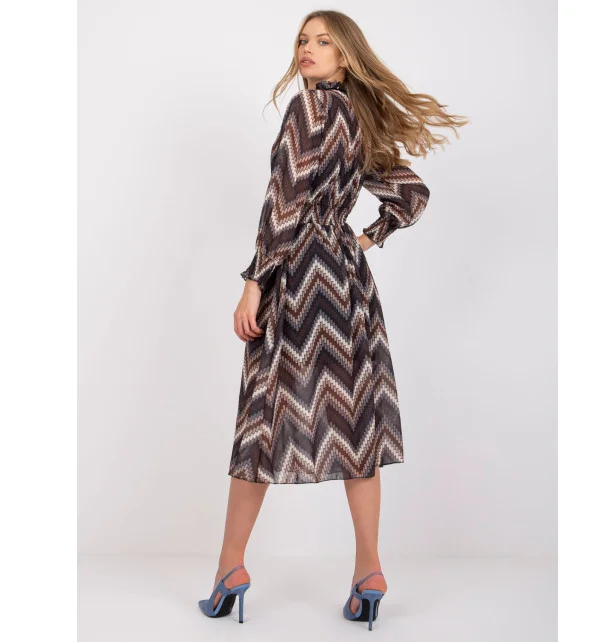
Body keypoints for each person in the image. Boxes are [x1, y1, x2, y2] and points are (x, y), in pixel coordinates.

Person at [198, 9, 467, 630]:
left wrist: (254, 281)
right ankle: (369, 571)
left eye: (323, 41)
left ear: (346, 54)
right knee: (355, 423)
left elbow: (284, 203)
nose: (308, 49)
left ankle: (230, 568)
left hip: (297, 278)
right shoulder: (358, 117)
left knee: (261, 422)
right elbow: (412, 195)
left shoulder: (310, 107)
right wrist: (362, 239)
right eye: (302, 39)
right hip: (345, 282)